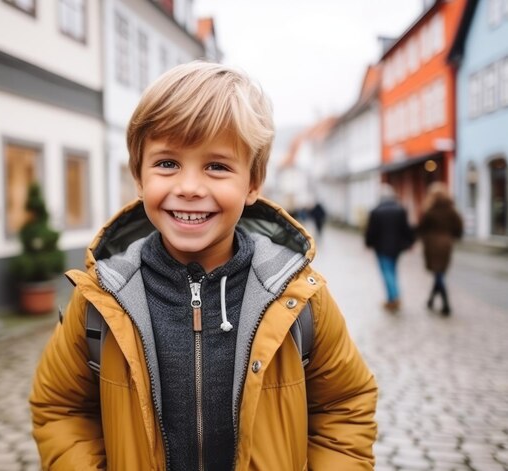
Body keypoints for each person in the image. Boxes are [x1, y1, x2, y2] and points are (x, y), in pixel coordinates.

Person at [29, 61, 377, 470]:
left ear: (252, 183)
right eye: (167, 163)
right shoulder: (102, 297)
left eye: (216, 166)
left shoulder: (298, 297)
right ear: (139, 178)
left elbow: (345, 404)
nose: (190, 187)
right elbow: (60, 407)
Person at [364, 183, 415, 312]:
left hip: (381, 247)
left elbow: (371, 231)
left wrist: (368, 243)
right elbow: (406, 229)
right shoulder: (400, 209)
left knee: (387, 272)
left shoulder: (375, 211)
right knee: (392, 271)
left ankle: (394, 297)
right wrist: (410, 242)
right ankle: (391, 298)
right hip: (397, 248)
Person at [417, 182, 463, 316]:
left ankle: (446, 303)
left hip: (432, 244)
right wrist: (452, 236)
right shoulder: (451, 210)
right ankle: (431, 300)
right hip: (446, 244)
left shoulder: (429, 211)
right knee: (440, 272)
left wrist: (424, 238)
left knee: (438, 273)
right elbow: (459, 228)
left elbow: (421, 228)